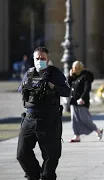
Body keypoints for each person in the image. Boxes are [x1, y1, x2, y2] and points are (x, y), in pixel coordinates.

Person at [16, 47, 70, 180]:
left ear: (48, 59)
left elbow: (67, 92)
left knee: (51, 156)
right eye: (37, 58)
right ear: (33, 59)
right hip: (29, 119)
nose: (40, 61)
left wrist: (53, 87)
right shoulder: (30, 73)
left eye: (43, 58)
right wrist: (27, 85)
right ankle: (33, 174)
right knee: (22, 154)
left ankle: (47, 176)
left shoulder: (54, 73)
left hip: (48, 120)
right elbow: (20, 89)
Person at [68, 61, 103, 142]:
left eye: (77, 67)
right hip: (73, 101)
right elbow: (68, 85)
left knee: (85, 119)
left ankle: (97, 130)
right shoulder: (73, 75)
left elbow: (87, 88)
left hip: (82, 101)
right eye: (74, 67)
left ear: (80, 68)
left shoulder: (85, 76)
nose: (75, 69)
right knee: (74, 119)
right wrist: (69, 76)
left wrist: (82, 98)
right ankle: (76, 135)